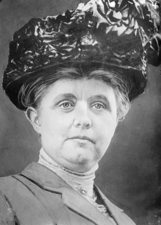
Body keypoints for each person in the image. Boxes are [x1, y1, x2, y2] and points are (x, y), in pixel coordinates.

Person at [0, 0, 161, 224]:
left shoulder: (124, 221)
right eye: (66, 104)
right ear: (36, 119)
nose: (84, 120)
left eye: (99, 105)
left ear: (117, 117)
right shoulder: (5, 197)